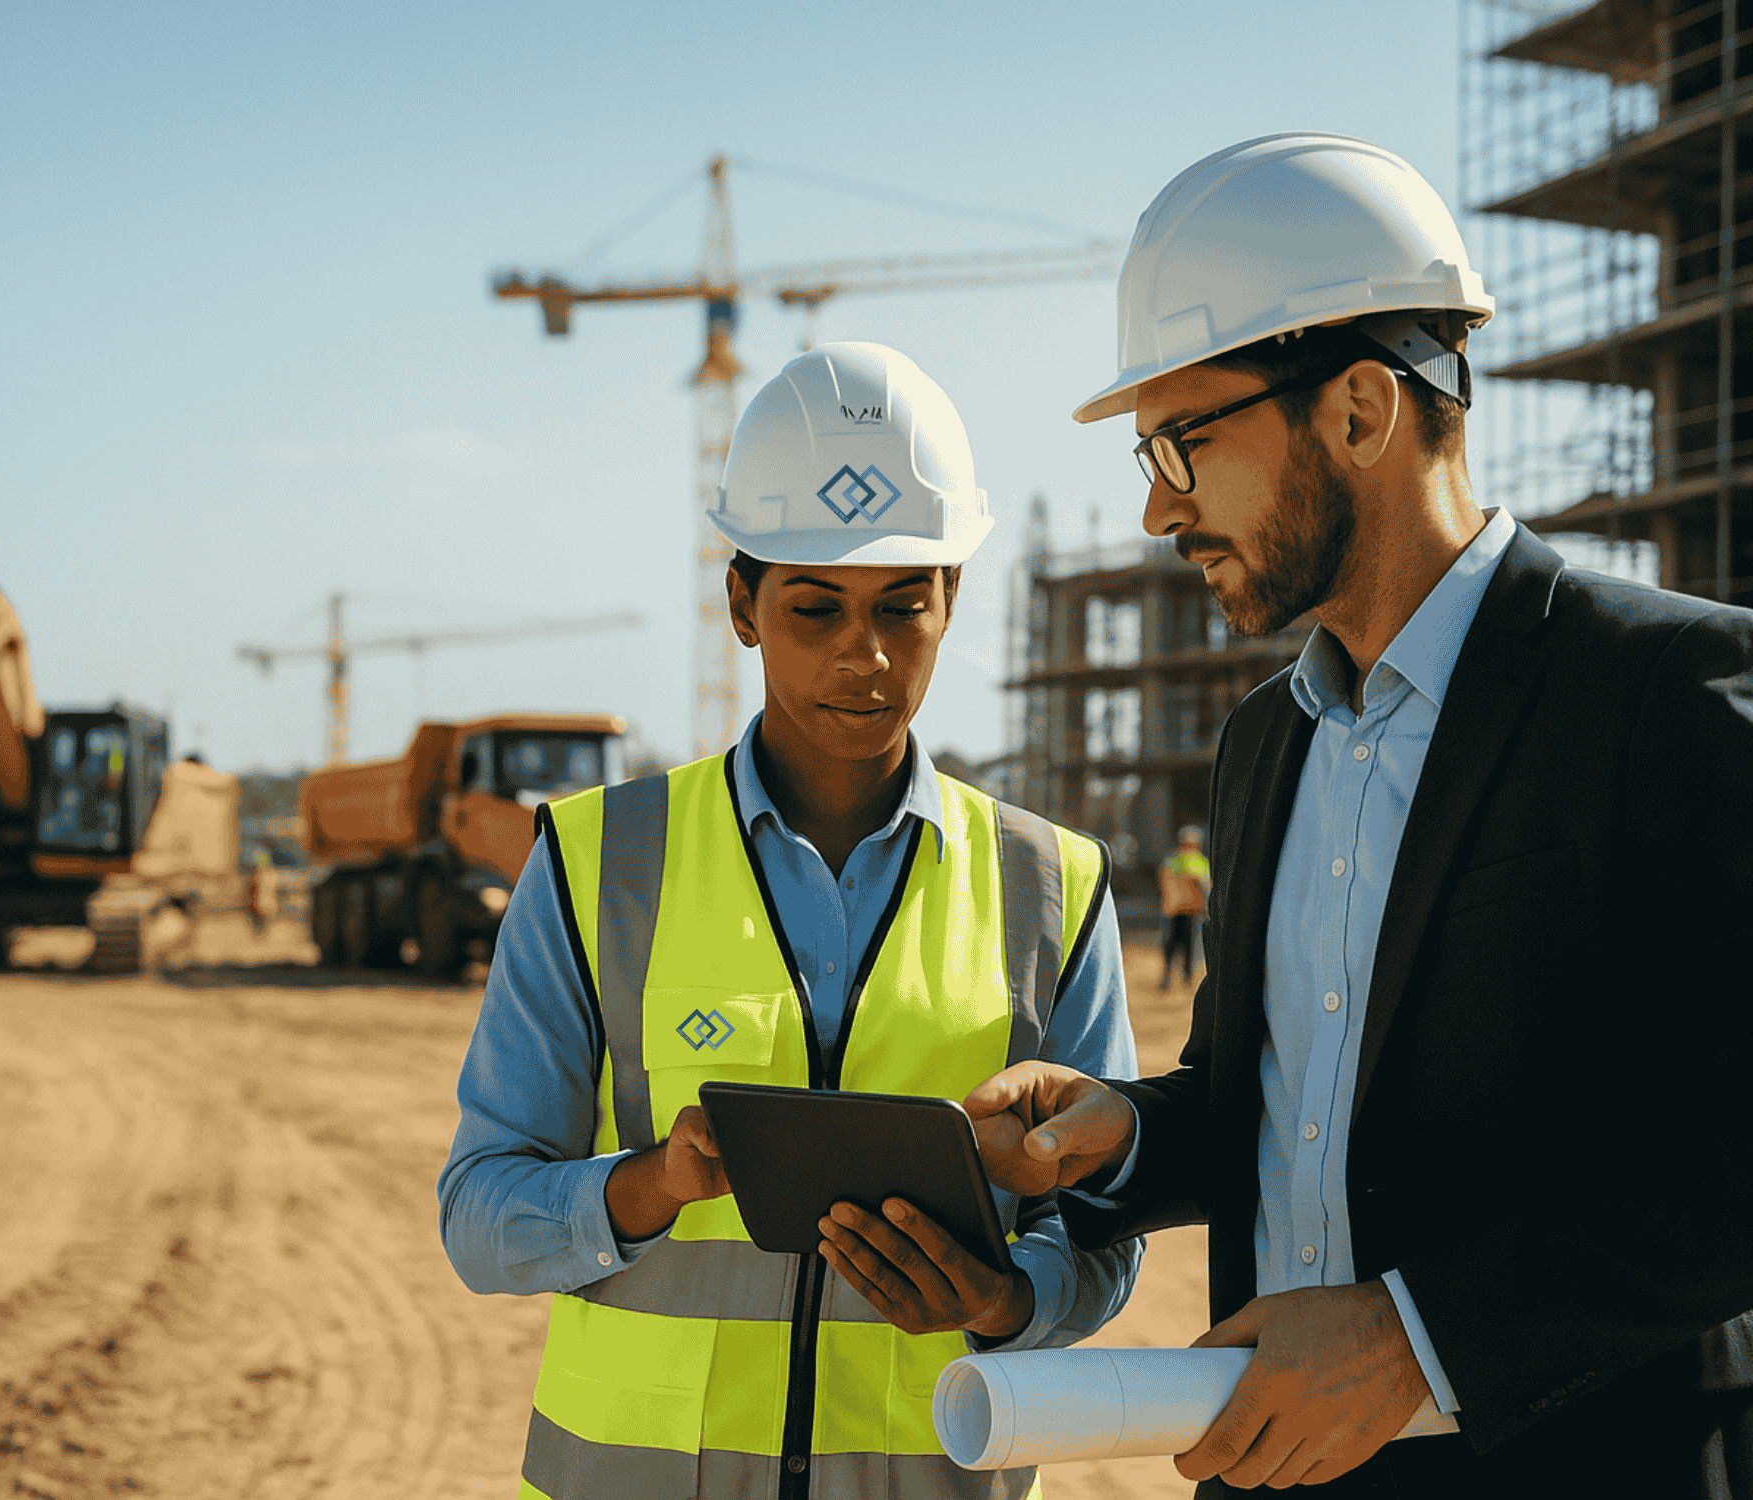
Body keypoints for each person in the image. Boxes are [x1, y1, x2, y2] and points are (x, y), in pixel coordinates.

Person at [965, 133, 1753, 1497]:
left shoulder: (1666, 692)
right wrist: (1127, 1130)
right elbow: (1272, 1103)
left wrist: (1419, 1342)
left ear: (1359, 412)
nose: (1157, 508)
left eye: (1181, 443)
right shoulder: (1268, 740)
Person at [439, 342, 1144, 1500]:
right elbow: (478, 1211)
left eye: (901, 606)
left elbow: (1105, 1235)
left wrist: (1004, 1298)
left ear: (951, 597)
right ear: (740, 604)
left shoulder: (1051, 886)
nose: (862, 656)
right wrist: (647, 1186)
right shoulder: (593, 861)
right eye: (814, 607)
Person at [1157, 824, 1210, 989]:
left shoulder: (1200, 861)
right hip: (1175, 911)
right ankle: (1167, 978)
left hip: (1191, 912)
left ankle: (1187, 978)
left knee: (1189, 947)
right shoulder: (1173, 861)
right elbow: (1166, 881)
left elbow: (1206, 885)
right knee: (1171, 945)